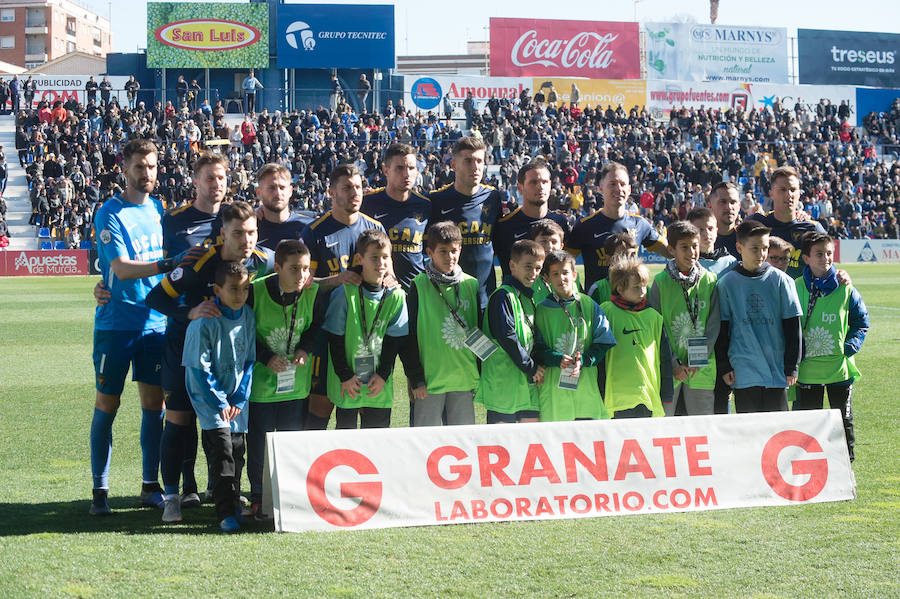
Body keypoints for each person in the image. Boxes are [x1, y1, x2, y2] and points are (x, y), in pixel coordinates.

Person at [146, 201, 273, 521]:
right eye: (238, 234)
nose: (247, 241)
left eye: (252, 233)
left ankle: (225, 492)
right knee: (178, 421)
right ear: (222, 233)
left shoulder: (260, 260)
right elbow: (156, 297)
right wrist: (188, 312)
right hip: (184, 351)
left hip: (229, 357)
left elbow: (295, 272)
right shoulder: (198, 259)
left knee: (230, 426)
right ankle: (172, 495)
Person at [88, 138, 175, 516]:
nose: (146, 173)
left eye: (152, 166)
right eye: (139, 166)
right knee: (108, 403)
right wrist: (167, 264)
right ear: (125, 168)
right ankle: (99, 490)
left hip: (156, 324)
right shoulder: (109, 212)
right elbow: (121, 269)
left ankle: (149, 485)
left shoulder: (158, 209)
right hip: (117, 324)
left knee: (153, 406)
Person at [300, 163, 386, 430]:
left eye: (358, 187)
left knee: (360, 400)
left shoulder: (374, 228)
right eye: (347, 188)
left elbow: (388, 274)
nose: (354, 193)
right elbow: (304, 283)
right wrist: (336, 280)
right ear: (331, 192)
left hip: (364, 334)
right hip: (326, 333)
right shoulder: (315, 232)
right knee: (320, 404)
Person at [246, 239, 324, 517]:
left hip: (296, 387)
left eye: (305, 269)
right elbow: (242, 334)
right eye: (294, 269)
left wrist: (305, 349)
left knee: (292, 442)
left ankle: (290, 495)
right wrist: (265, 357)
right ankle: (258, 495)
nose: (302, 276)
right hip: (260, 387)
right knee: (259, 445)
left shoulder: (313, 292)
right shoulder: (254, 292)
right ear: (277, 267)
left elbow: (316, 326)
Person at [182, 261, 256, 532]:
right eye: (234, 289)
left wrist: (239, 397)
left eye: (245, 289)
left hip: (235, 397)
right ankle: (225, 513)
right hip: (209, 396)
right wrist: (222, 401)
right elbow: (200, 368)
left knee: (237, 451)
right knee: (224, 451)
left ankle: (234, 503)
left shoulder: (247, 314)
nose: (240, 294)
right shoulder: (204, 322)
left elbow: (249, 359)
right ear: (217, 290)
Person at [793, 232, 869, 461]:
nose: (825, 258)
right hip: (807, 372)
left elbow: (861, 322)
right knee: (809, 422)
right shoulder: (795, 287)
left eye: (829, 253)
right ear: (806, 258)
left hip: (839, 369)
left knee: (843, 420)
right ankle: (809, 464)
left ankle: (847, 465)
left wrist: (850, 346)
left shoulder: (846, 288)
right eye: (819, 254)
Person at [323, 229, 408, 429]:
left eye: (385, 257)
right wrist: (344, 375)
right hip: (347, 380)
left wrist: (383, 375)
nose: (381, 263)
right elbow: (334, 338)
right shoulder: (344, 293)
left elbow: (393, 341)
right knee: (347, 440)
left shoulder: (395, 296)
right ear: (360, 259)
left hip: (378, 380)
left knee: (377, 440)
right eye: (374, 258)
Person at [715, 220, 803, 413]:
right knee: (749, 433)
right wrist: (724, 365)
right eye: (754, 248)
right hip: (743, 371)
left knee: (777, 432)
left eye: (764, 248)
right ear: (739, 247)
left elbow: (793, 327)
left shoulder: (782, 281)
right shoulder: (727, 284)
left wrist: (791, 366)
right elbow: (722, 330)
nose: (761, 254)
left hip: (776, 371)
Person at [404, 221, 479, 426]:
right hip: (429, 382)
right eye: (443, 251)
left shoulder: (471, 284)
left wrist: (478, 372)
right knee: (426, 442)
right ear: (430, 252)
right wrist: (416, 377)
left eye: (454, 251)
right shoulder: (418, 285)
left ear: (460, 250)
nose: (449, 257)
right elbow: (409, 337)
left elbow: (478, 330)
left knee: (463, 441)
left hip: (463, 378)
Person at [648, 221, 721, 416]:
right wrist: (674, 364)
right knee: (665, 424)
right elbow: (658, 328)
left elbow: (713, 325)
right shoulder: (660, 283)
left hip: (701, 367)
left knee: (702, 425)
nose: (691, 252)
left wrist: (699, 358)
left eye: (695, 246)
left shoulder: (709, 280)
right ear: (671, 249)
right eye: (684, 247)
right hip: (670, 369)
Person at [534, 250, 615, 421]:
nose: (561, 278)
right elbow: (536, 348)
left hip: (586, 388)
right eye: (555, 274)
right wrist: (555, 359)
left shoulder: (589, 304)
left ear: (574, 275)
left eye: (565, 272)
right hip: (554, 390)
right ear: (547, 278)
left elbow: (604, 341)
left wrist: (584, 360)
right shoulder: (541, 310)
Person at [566, 161, 670, 291]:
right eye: (612, 184)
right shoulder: (584, 226)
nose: (618, 189)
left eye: (622, 184)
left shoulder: (640, 224)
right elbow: (563, 263)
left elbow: (671, 252)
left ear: (629, 189)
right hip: (597, 307)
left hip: (631, 306)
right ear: (601, 188)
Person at [476, 239, 545, 424]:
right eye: (528, 266)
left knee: (529, 444)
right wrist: (531, 367)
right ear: (512, 265)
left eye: (538, 268)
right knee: (500, 447)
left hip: (527, 385)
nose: (533, 273)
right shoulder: (503, 296)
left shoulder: (528, 297)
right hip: (504, 387)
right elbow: (507, 337)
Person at [429, 137, 503, 310]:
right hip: (447, 300)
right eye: (468, 161)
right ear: (454, 165)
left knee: (485, 339)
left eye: (479, 161)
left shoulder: (493, 198)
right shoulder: (436, 200)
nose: (475, 167)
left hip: (486, 299)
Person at [600, 257, 673, 418]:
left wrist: (667, 392)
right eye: (636, 287)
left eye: (644, 286)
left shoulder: (654, 317)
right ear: (619, 288)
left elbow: (664, 357)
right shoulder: (606, 312)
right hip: (616, 398)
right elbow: (599, 356)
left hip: (647, 395)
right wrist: (600, 388)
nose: (642, 291)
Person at [361, 143, 430, 290]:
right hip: (379, 292)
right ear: (386, 170)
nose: (407, 174)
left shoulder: (425, 205)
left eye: (411, 168)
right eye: (400, 168)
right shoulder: (367, 203)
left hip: (417, 292)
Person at [493, 160, 570, 279]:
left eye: (544, 182)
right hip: (517, 296)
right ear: (520, 187)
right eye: (533, 182)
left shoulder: (561, 222)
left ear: (550, 185)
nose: (540, 186)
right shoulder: (504, 226)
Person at [749, 166, 826, 278]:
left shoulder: (812, 229)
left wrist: (840, 275)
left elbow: (828, 268)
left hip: (799, 295)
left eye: (793, 190)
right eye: (783, 190)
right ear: (771, 193)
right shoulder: (756, 223)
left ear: (799, 193)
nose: (789, 195)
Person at [255, 163, 314, 251]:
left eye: (282, 187)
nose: (278, 193)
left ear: (290, 191)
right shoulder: (248, 229)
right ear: (259, 193)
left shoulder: (308, 228)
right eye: (271, 188)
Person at [587, 233, 637, 306]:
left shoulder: (643, 288)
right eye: (623, 255)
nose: (629, 259)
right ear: (608, 259)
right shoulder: (598, 289)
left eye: (633, 255)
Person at [688, 206, 737, 276]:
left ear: (716, 231)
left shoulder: (730, 263)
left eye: (710, 229)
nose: (707, 233)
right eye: (700, 230)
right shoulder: (686, 264)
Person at [708, 182, 741, 258]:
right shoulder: (700, 242)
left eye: (733, 202)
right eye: (723, 202)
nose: (729, 207)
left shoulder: (748, 241)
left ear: (739, 206)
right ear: (710, 206)